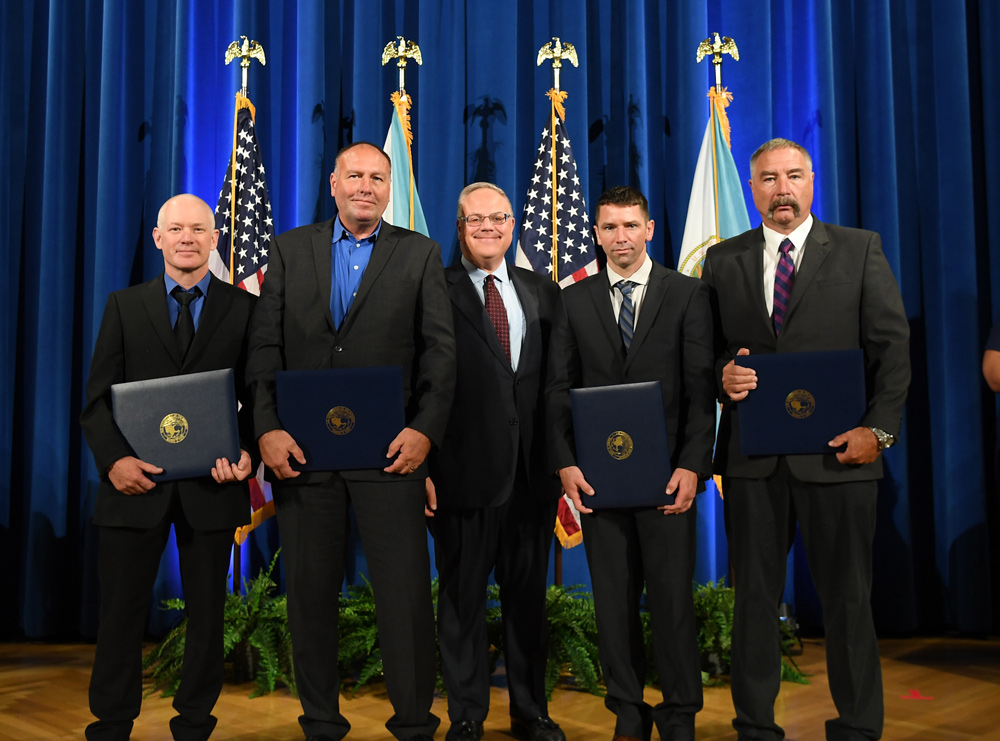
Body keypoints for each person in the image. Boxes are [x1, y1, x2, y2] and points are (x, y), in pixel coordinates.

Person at [246, 141, 455, 741]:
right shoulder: (288, 249)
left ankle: (414, 722)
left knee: (405, 595)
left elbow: (441, 356)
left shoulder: (420, 254)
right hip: (303, 457)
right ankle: (319, 721)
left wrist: (424, 432)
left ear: (391, 188)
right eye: (355, 175)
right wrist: (265, 428)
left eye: (378, 177)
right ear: (333, 183)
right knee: (309, 595)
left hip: (391, 456)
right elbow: (264, 349)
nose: (366, 186)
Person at [702, 138, 910, 740]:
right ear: (752, 189)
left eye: (793, 176)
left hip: (842, 459)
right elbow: (708, 354)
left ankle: (858, 727)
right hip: (753, 463)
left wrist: (879, 431)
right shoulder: (723, 261)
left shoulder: (858, 249)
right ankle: (755, 726)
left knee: (849, 601)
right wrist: (723, 375)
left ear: (812, 181)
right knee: (753, 605)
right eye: (768, 179)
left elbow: (892, 352)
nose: (781, 189)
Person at [80, 194, 256, 740]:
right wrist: (114, 463)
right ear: (158, 238)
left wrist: (248, 452)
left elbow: (257, 395)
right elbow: (96, 401)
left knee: (208, 616)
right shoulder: (124, 306)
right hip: (134, 486)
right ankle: (110, 723)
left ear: (213, 238)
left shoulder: (244, 309)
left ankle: (196, 721)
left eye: (198, 229)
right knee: (121, 614)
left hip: (213, 485)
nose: (186, 238)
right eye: (175, 229)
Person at [550, 186, 716, 741]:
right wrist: (566, 465)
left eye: (630, 226)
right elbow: (557, 392)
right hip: (599, 482)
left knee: (671, 604)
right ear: (595, 234)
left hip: (668, 480)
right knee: (612, 603)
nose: (620, 238)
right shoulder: (572, 300)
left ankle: (678, 714)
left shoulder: (688, 294)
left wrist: (694, 466)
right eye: (609, 228)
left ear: (649, 230)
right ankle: (626, 709)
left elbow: (700, 392)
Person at [425, 183, 567, 741]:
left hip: (532, 478)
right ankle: (466, 715)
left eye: (499, 218)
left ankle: (531, 712)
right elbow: (421, 385)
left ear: (513, 226)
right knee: (461, 603)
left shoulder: (542, 289)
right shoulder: (434, 288)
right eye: (475, 219)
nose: (488, 227)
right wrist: (426, 470)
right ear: (458, 226)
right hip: (461, 475)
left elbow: (557, 383)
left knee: (527, 603)